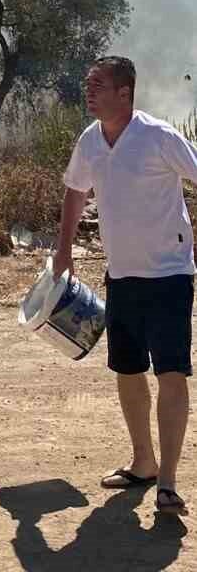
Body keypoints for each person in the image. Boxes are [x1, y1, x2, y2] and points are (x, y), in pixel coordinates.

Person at [55, 55, 197, 517]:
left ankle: (169, 484)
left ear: (125, 93)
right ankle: (144, 463)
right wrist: (64, 250)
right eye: (88, 83)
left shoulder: (157, 136)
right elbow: (76, 190)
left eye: (99, 84)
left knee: (171, 372)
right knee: (128, 370)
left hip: (170, 276)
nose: (89, 90)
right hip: (121, 276)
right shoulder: (91, 141)